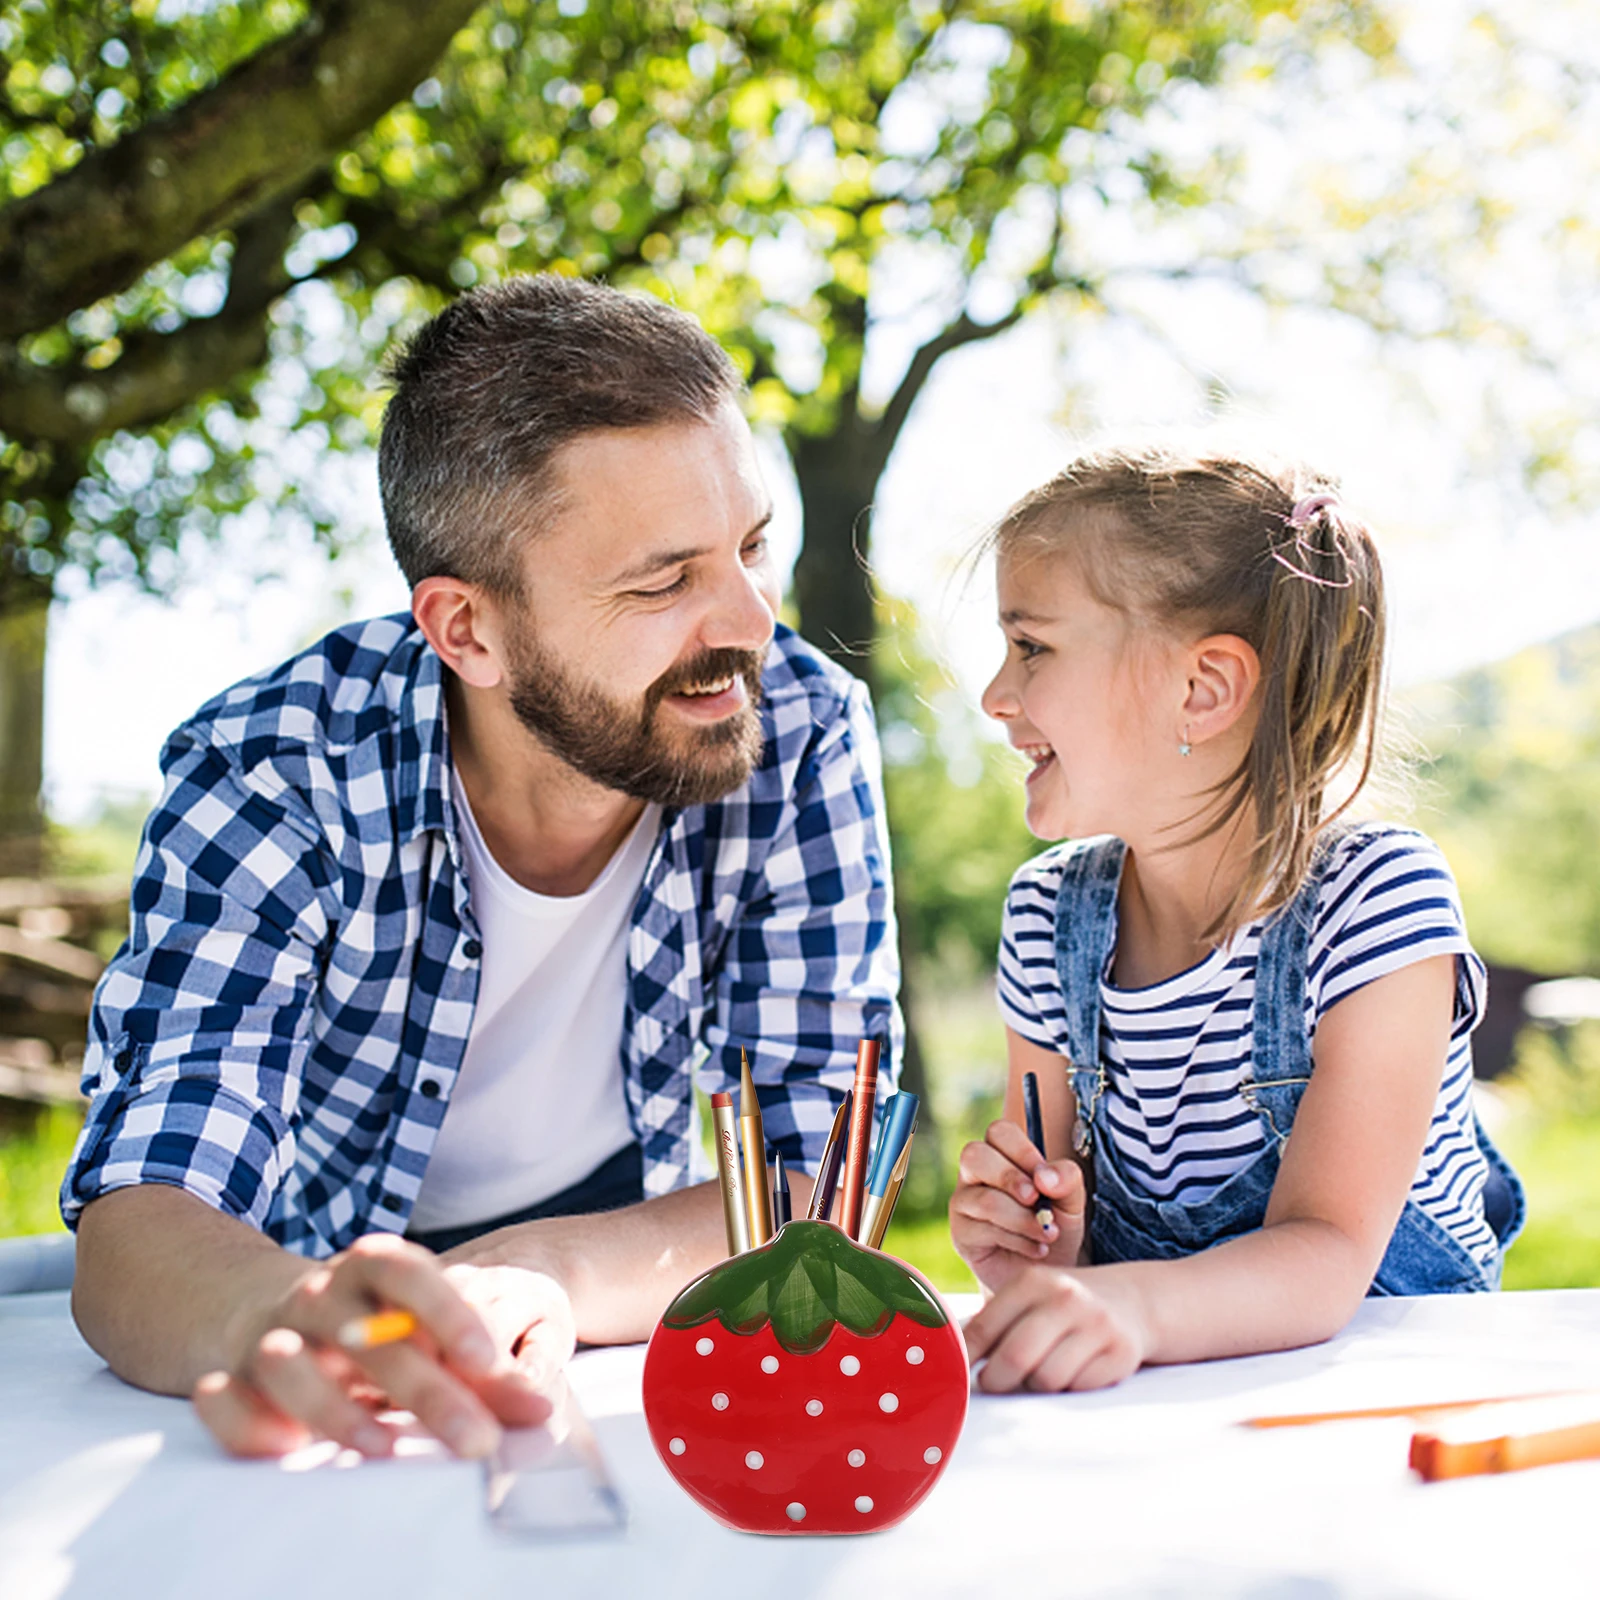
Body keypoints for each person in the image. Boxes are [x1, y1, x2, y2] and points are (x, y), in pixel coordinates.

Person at [61, 275, 900, 1458]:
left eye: (753, 545)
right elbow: (146, 1214)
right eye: (664, 580)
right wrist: (284, 1315)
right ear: (467, 631)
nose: (753, 621)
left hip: (617, 1275)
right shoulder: (274, 769)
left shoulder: (798, 725)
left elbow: (819, 1175)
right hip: (325, 1261)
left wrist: (537, 1269)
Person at [952, 444, 1524, 1394]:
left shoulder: (1375, 903)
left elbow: (1329, 1250)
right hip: (1175, 1409)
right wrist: (1045, 1252)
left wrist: (1132, 1308)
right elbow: (1064, 1243)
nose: (994, 695)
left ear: (1204, 689)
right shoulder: (1047, 918)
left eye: (1033, 646)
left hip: (1385, 1398)